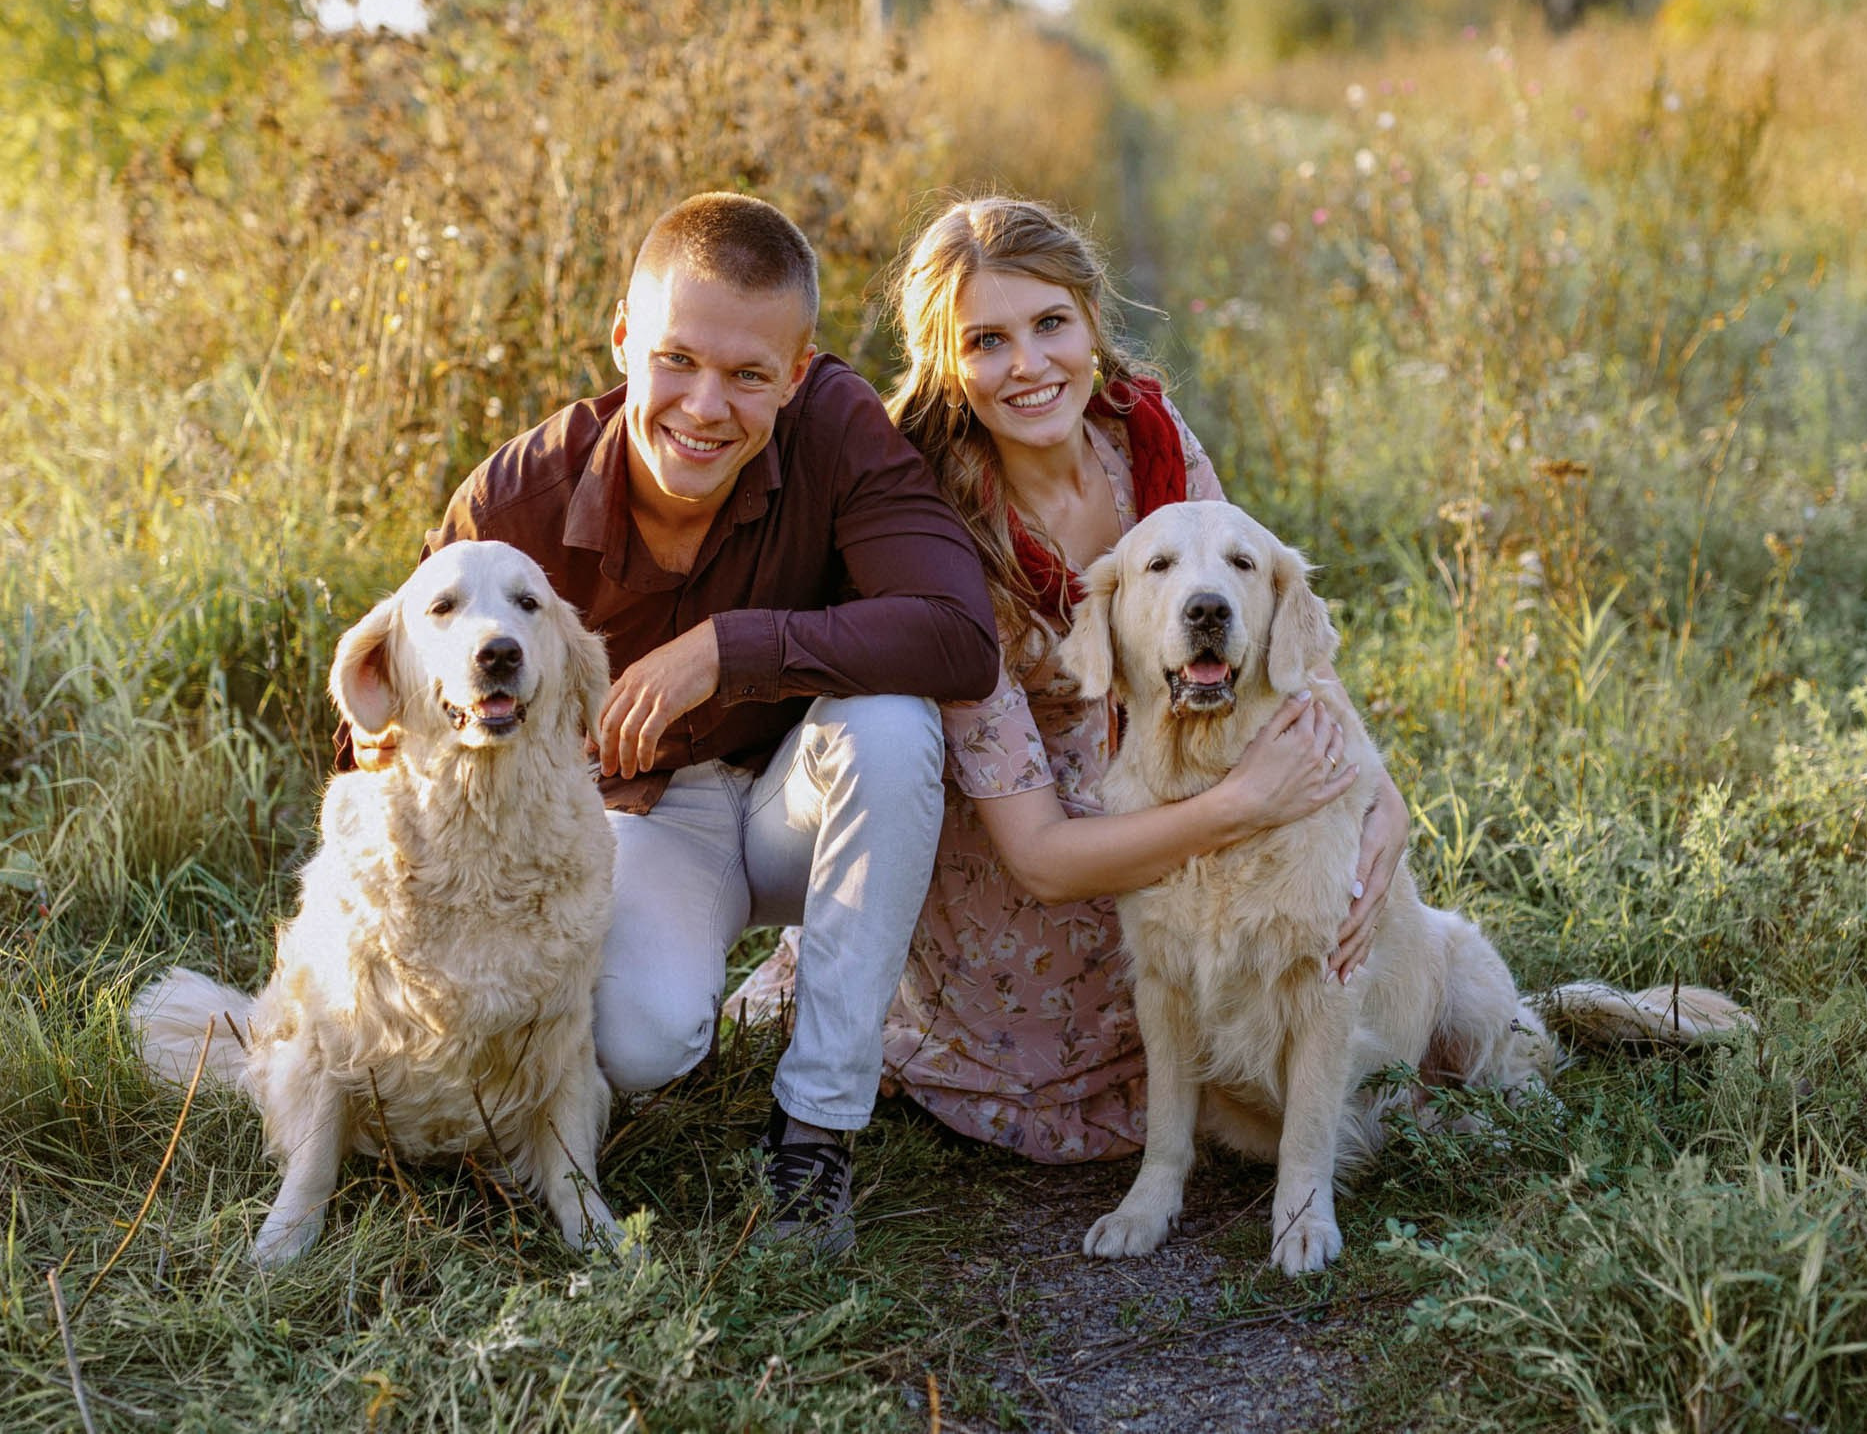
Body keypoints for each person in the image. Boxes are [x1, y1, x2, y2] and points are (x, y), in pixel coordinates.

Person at [406, 190, 1001, 1250]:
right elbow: (397, 724)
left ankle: (814, 1134)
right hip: (640, 819)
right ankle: (674, 1018)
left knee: (894, 723)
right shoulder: (513, 508)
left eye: (747, 375)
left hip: (798, 797)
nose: (704, 405)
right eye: (676, 359)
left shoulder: (837, 427)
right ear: (625, 336)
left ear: (802, 367)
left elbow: (959, 635)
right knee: (639, 1044)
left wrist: (732, 649)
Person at [810, 196, 1409, 1161]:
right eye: (987, 341)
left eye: (1051, 323)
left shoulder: (1153, 442)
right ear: (948, 366)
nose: (1030, 364)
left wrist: (1385, 800)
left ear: (1091, 318)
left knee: (1325, 960)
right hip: (1025, 893)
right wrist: (1247, 802)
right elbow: (1042, 859)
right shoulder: (938, 540)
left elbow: (1281, 645)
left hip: (1181, 821)